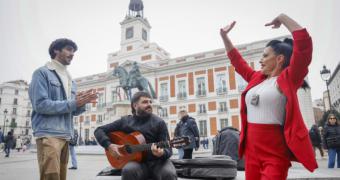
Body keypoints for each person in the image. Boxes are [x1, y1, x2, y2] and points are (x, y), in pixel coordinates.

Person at [219, 13, 318, 179]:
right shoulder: (256, 78)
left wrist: (283, 18)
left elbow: (305, 47)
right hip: (251, 150)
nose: (260, 60)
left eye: (265, 55)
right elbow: (237, 60)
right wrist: (224, 37)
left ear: (279, 59)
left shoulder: (289, 78)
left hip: (274, 152)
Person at [29, 38, 97, 180]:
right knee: (51, 177)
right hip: (48, 134)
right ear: (56, 50)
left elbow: (72, 111)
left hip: (66, 135)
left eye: (73, 51)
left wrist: (82, 103)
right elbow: (40, 105)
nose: (72, 54)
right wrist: (73, 103)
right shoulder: (42, 73)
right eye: (68, 49)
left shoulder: (71, 80)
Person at [94, 92, 177, 180]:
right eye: (145, 102)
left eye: (150, 102)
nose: (149, 104)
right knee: (128, 170)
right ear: (135, 105)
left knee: (169, 173)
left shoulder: (159, 122)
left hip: (158, 162)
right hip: (137, 163)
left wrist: (162, 153)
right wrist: (109, 145)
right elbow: (99, 130)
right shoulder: (125, 121)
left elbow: (169, 150)